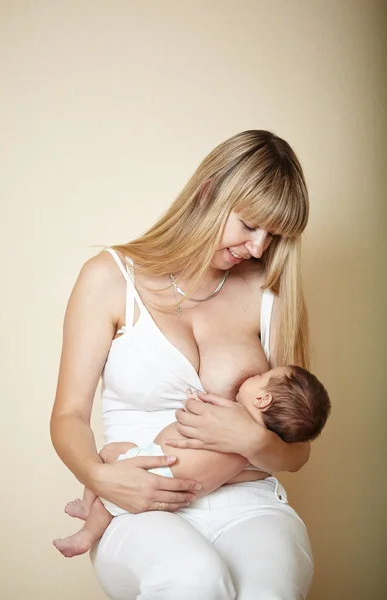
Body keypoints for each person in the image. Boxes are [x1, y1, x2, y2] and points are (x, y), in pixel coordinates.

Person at [51, 130, 315, 599]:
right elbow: (68, 415)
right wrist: (97, 476)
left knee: (267, 592)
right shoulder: (110, 278)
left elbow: (296, 450)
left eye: (272, 236)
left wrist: (252, 438)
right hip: (140, 505)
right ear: (209, 193)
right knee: (193, 578)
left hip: (250, 504)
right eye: (249, 225)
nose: (257, 248)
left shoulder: (270, 296)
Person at [52, 365, 331, 558]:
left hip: (160, 465)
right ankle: (90, 513)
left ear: (262, 398)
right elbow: (239, 473)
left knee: (110, 463)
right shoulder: (253, 455)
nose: (257, 374)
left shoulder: (234, 415)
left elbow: (193, 410)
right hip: (175, 477)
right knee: (114, 462)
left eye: (262, 375)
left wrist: (192, 399)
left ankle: (87, 530)